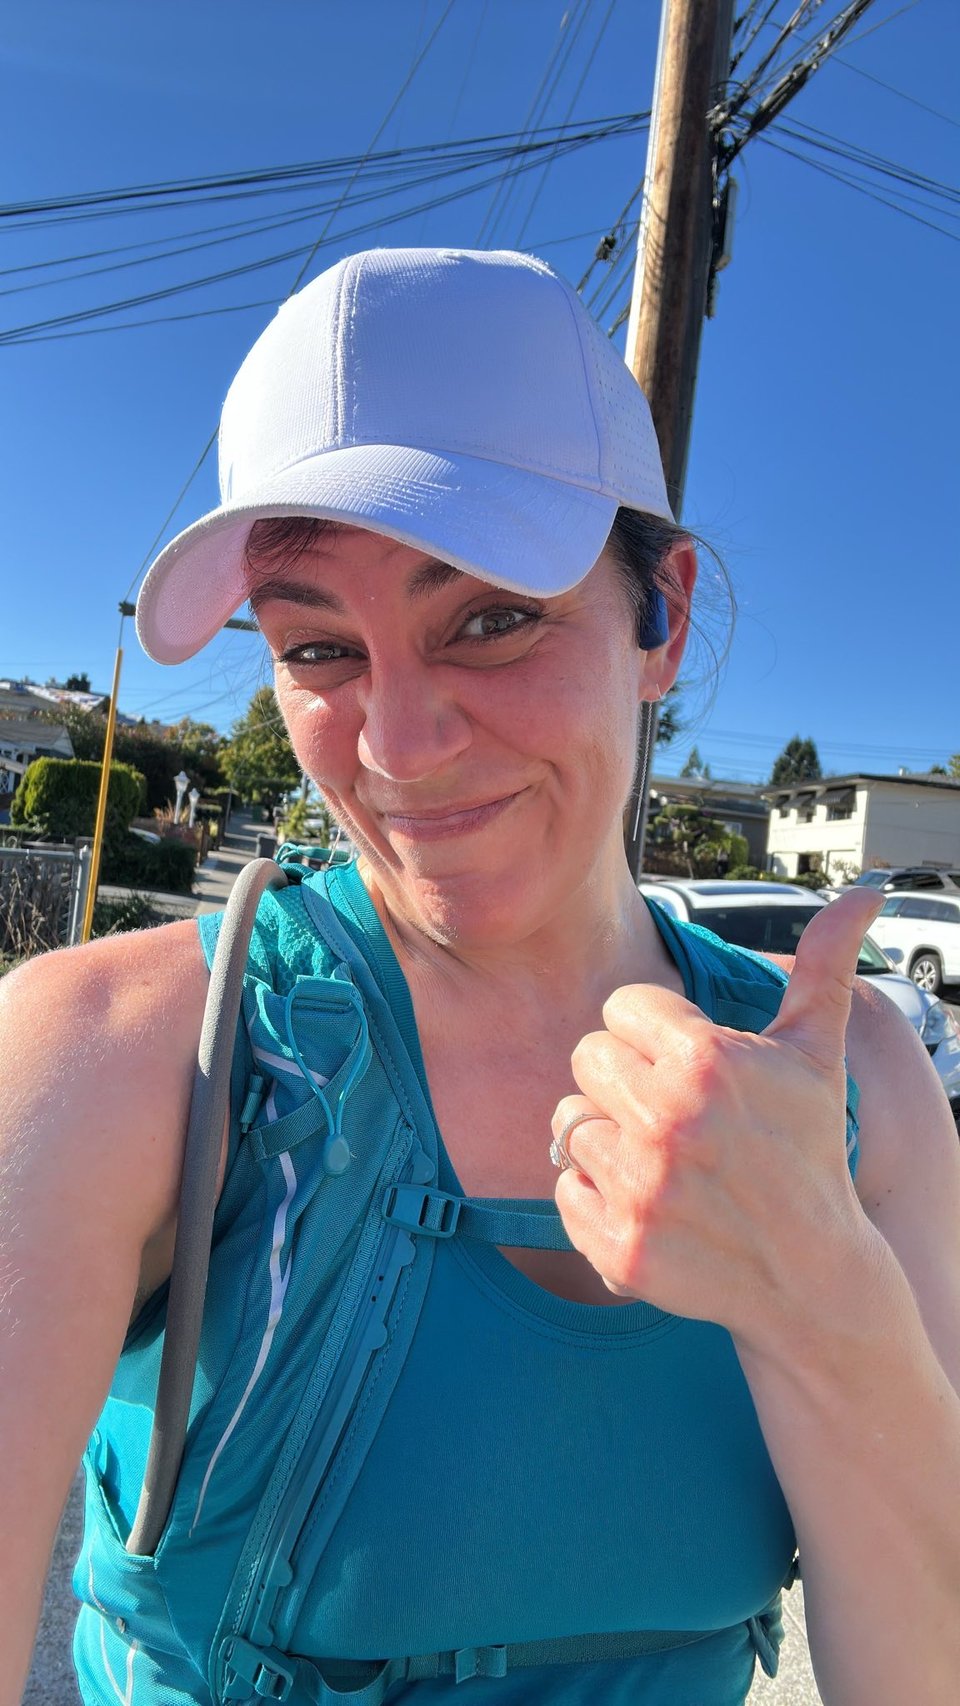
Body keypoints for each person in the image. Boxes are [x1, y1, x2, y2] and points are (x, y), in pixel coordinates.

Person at [2, 247, 958, 1706]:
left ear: (666, 617)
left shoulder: (861, 1087)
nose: (397, 743)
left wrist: (822, 1294)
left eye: (490, 618)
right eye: (319, 645)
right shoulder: (124, 1060)